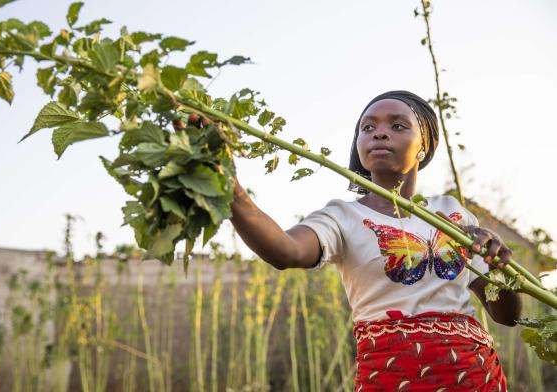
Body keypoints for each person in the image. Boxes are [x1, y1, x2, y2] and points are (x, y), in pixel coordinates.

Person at [222, 90, 521, 391]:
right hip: (391, 377)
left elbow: (507, 316)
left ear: (424, 145)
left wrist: (501, 268)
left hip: (473, 376)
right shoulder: (342, 216)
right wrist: (228, 184)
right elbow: (286, 251)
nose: (379, 133)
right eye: (368, 128)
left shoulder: (453, 214)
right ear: (359, 146)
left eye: (398, 126)